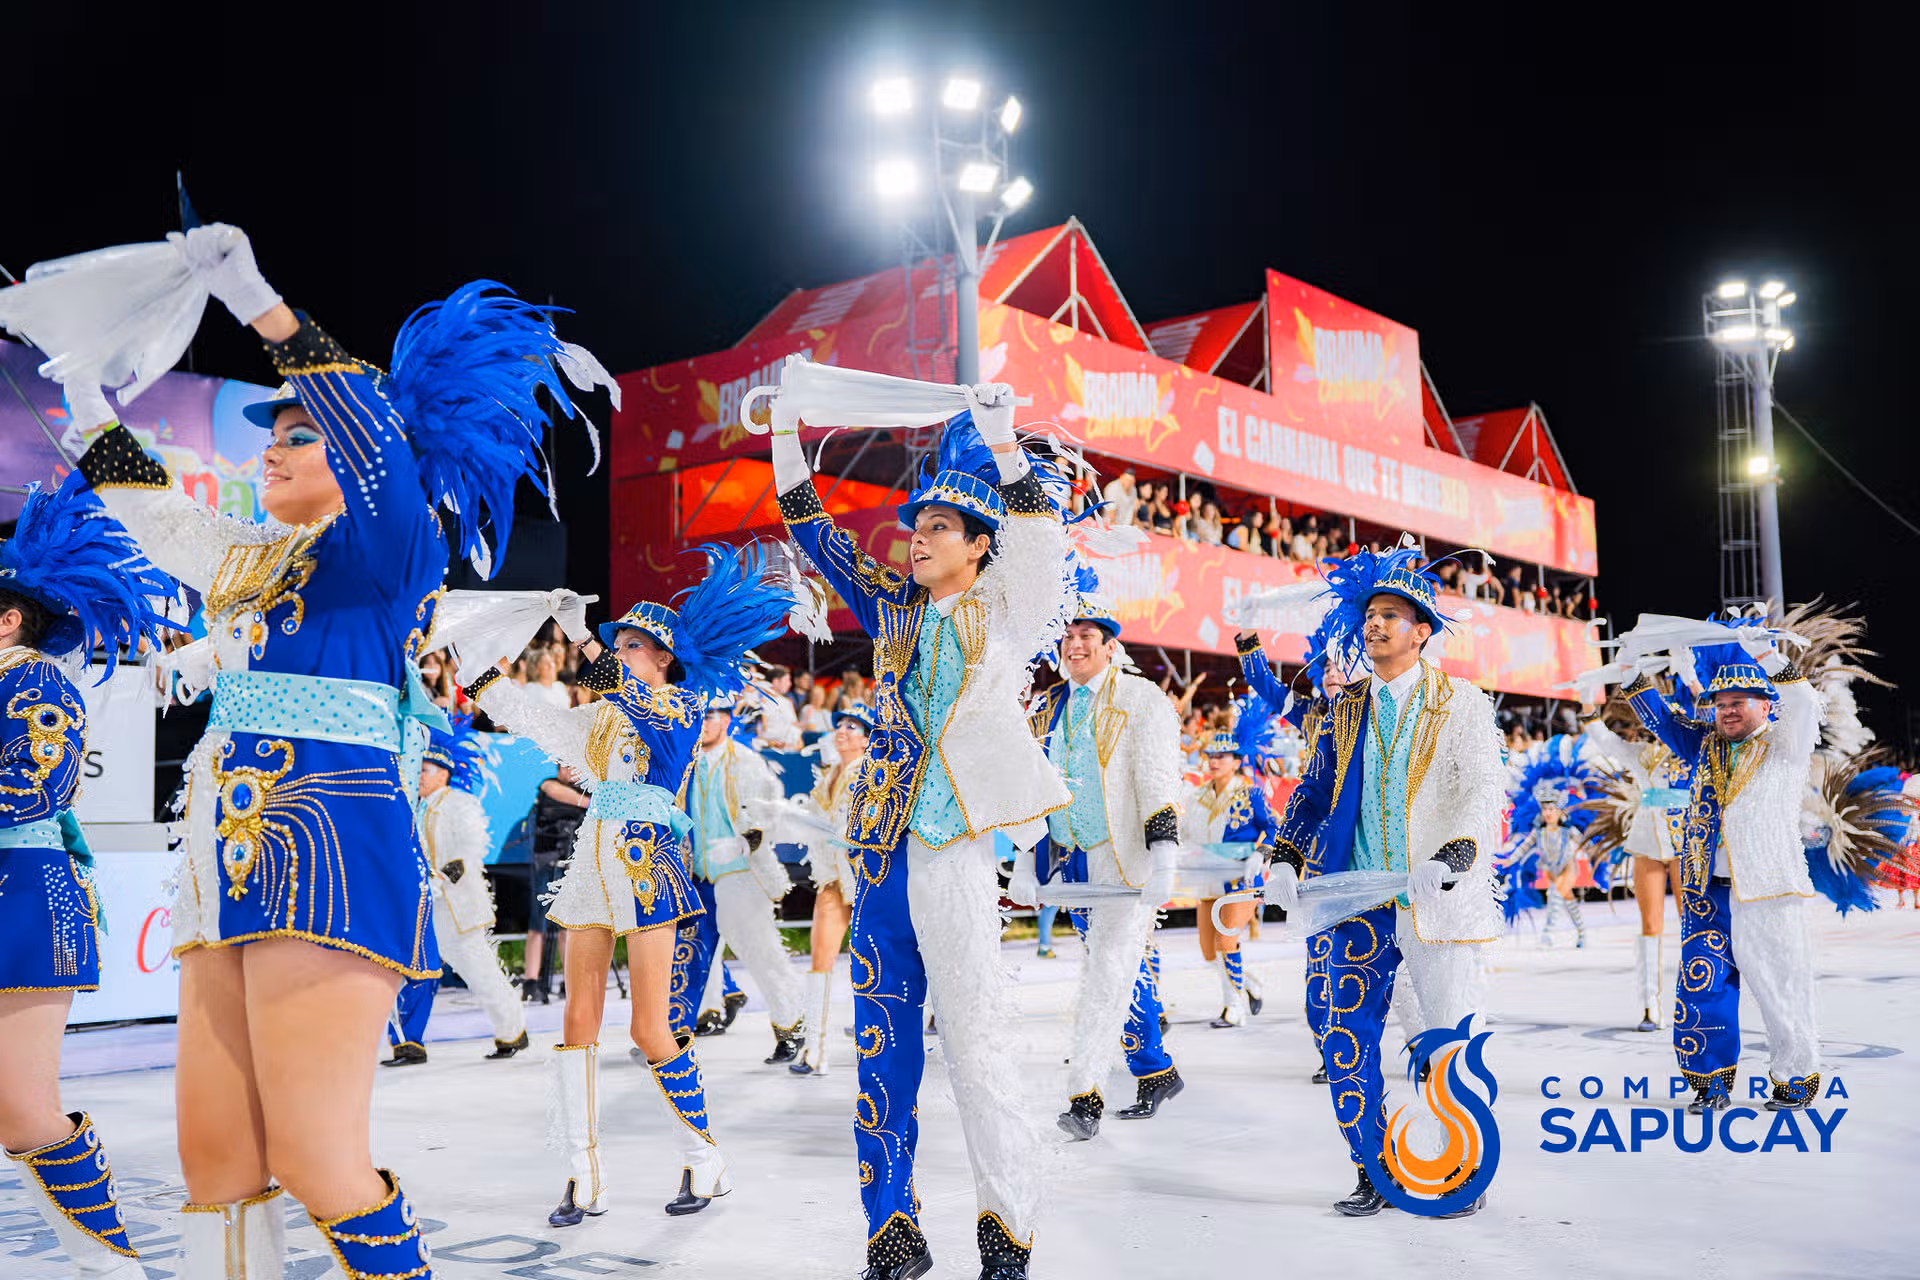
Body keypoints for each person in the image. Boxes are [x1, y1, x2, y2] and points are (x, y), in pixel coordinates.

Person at [70, 223, 615, 1275]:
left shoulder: (389, 542)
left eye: (296, 434)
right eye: (269, 436)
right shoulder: (257, 559)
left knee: (320, 1157)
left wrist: (257, 298)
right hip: (221, 862)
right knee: (215, 1160)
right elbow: (161, 523)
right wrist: (87, 401)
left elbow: (369, 433)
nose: (269, 447)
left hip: (326, 845)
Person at [771, 379, 1071, 1280]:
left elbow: (1043, 538)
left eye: (940, 527)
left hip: (955, 851)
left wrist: (1005, 441)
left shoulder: (1007, 610)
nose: (919, 535)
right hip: (880, 852)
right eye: (918, 523)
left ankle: (1005, 1231)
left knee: (976, 1043)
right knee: (881, 1046)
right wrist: (787, 429)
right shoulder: (896, 610)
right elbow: (811, 527)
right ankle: (890, 1230)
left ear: (981, 546)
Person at [462, 544, 791, 1223]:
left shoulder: (681, 707)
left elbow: (629, 694)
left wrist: (581, 634)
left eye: (633, 644)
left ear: (662, 658)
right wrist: (477, 666)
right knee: (575, 1020)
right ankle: (584, 1179)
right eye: (621, 644)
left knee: (649, 1027)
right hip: (593, 865)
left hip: (649, 867)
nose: (623, 651)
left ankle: (705, 1160)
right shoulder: (608, 715)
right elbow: (537, 720)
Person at [1252, 546, 1504, 1218]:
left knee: (1450, 1039)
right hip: (1356, 896)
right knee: (1345, 1039)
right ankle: (1376, 1168)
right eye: (1370, 614)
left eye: (1391, 615)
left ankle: (1458, 1168)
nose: (1376, 625)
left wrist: (1454, 856)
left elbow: (1482, 788)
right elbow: (1312, 791)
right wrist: (1283, 856)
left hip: (1436, 899)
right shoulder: (1345, 706)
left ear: (1423, 630)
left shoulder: (1463, 701)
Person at [0, 473, 175, 1280]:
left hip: (23, 891)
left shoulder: (32, 680)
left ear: (9, 622)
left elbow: (33, 786)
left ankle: (111, 1267)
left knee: (21, 1110)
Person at [1015, 563, 1184, 1139]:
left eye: (1087, 635)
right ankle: (1155, 1069)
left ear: (1110, 646)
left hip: (1125, 858)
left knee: (1108, 971)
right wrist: (1022, 859)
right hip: (1072, 858)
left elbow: (1159, 778)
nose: (1075, 643)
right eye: (1067, 636)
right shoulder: (1047, 706)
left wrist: (1163, 853)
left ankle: (1084, 1093)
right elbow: (1030, 786)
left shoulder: (1142, 698)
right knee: (1114, 967)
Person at [1620, 637, 1823, 1114]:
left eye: (1738, 702)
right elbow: (1664, 721)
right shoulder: (1706, 743)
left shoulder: (1786, 743)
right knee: (1702, 984)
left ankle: (1795, 1076)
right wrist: (1630, 670)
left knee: (1780, 984)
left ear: (1765, 704)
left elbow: (1803, 700)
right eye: (1720, 703)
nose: (1727, 711)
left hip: (1769, 888)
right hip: (1706, 889)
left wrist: (1769, 656)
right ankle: (1710, 1082)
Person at [383, 717, 530, 1065]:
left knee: (479, 970)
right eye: (419, 771)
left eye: (427, 771)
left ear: (444, 774)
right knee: (407, 973)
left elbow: (471, 845)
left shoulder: (458, 803)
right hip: (421, 905)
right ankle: (407, 1042)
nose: (420, 777)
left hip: (454, 907)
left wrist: (450, 871)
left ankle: (512, 1030)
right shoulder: (414, 808)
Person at [674, 696, 804, 1063]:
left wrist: (741, 843)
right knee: (692, 953)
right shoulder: (688, 761)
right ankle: (702, 1015)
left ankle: (791, 1024)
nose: (703, 722)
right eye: (699, 715)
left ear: (728, 719)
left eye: (711, 715)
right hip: (696, 872)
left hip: (739, 873)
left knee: (760, 952)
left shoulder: (746, 762)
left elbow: (768, 815)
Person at [1581, 699, 1688, 1029]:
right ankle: (1649, 1005)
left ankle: (1696, 999)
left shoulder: (1696, 748)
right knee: (1650, 923)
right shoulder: (1641, 753)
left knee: (1693, 924)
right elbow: (1607, 742)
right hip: (1647, 839)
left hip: (1688, 840)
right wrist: (1588, 708)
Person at [1178, 705, 1278, 1027]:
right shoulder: (1195, 796)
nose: (1215, 760)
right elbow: (1186, 833)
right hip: (1207, 880)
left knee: (1225, 941)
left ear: (1237, 761)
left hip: (1240, 879)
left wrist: (1261, 853)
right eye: (1211, 755)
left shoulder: (1251, 794)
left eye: (1223, 755)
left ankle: (1232, 1008)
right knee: (1210, 952)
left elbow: (1275, 826)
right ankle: (1250, 983)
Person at [790, 702, 873, 1075]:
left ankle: (875, 1038)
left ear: (867, 740)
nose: (844, 731)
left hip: (867, 878)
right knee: (819, 960)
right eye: (841, 725)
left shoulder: (869, 773)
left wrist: (849, 841)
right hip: (832, 876)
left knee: (871, 963)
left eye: (854, 727)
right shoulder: (827, 776)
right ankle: (813, 1048)